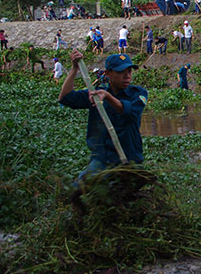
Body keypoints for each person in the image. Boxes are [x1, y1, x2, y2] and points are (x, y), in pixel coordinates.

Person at [58, 51, 147, 197]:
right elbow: (66, 98)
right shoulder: (96, 94)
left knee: (125, 198)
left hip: (129, 157)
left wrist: (107, 97)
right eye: (121, 72)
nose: (127, 76)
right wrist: (74, 68)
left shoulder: (138, 93)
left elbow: (129, 112)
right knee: (80, 189)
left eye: (129, 71)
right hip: (102, 158)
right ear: (107, 74)